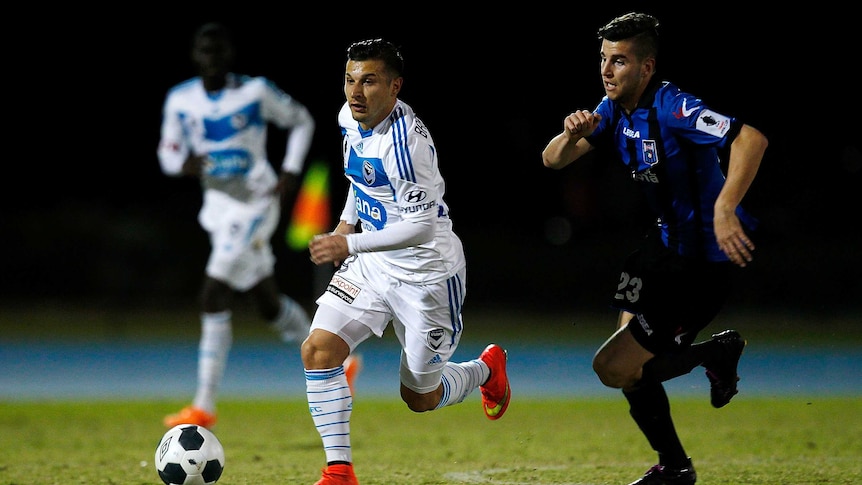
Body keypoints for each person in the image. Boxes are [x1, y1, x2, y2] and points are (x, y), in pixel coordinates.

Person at [541, 12, 767, 485]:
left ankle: (717, 355)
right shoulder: (611, 110)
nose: (606, 70)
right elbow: (552, 159)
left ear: (645, 67)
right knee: (630, 368)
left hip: (700, 266)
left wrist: (726, 208)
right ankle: (676, 466)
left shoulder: (673, 107)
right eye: (603, 59)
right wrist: (571, 133)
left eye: (618, 61)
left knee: (612, 367)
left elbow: (751, 139)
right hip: (660, 252)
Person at [300, 38, 511, 485]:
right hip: (375, 267)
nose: (355, 92)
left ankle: (486, 369)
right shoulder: (348, 118)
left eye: (369, 81)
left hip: (426, 277)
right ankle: (338, 471)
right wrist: (344, 225)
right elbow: (360, 180)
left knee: (419, 397)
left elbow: (421, 228)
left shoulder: (407, 147)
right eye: (349, 79)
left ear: (395, 88)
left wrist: (349, 246)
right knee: (318, 350)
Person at [156, 22, 359, 429]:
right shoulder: (181, 100)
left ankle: (203, 406)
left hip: (255, 205)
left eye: (218, 51)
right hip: (216, 209)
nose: (211, 59)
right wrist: (181, 164)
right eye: (204, 51)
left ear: (228, 56)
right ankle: (345, 361)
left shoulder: (255, 92)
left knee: (213, 294)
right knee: (266, 304)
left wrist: (290, 169)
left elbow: (301, 120)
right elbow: (167, 149)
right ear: (196, 57)